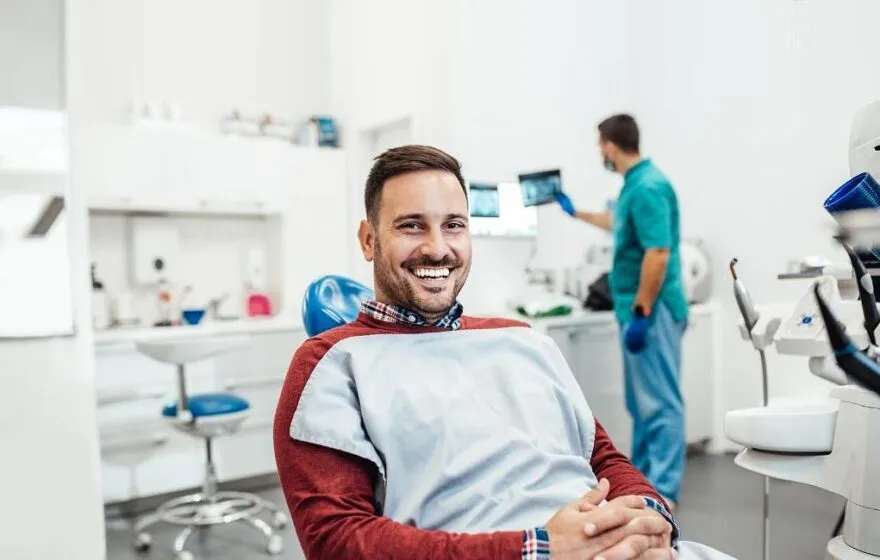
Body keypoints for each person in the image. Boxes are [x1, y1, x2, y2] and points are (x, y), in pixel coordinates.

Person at [274, 145, 732, 559]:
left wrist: (649, 520)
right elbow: (338, 541)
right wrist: (540, 550)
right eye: (412, 226)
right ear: (369, 240)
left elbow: (603, 457)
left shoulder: (522, 339)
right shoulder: (333, 363)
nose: (438, 248)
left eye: (453, 225)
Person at [555, 114, 689, 511]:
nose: (600, 153)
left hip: (653, 309)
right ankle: (645, 480)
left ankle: (664, 489)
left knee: (661, 402)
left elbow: (658, 252)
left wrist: (644, 310)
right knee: (642, 402)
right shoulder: (635, 185)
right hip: (637, 309)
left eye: (601, 146)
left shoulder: (648, 186)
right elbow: (618, 223)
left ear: (611, 145)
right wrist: (575, 212)